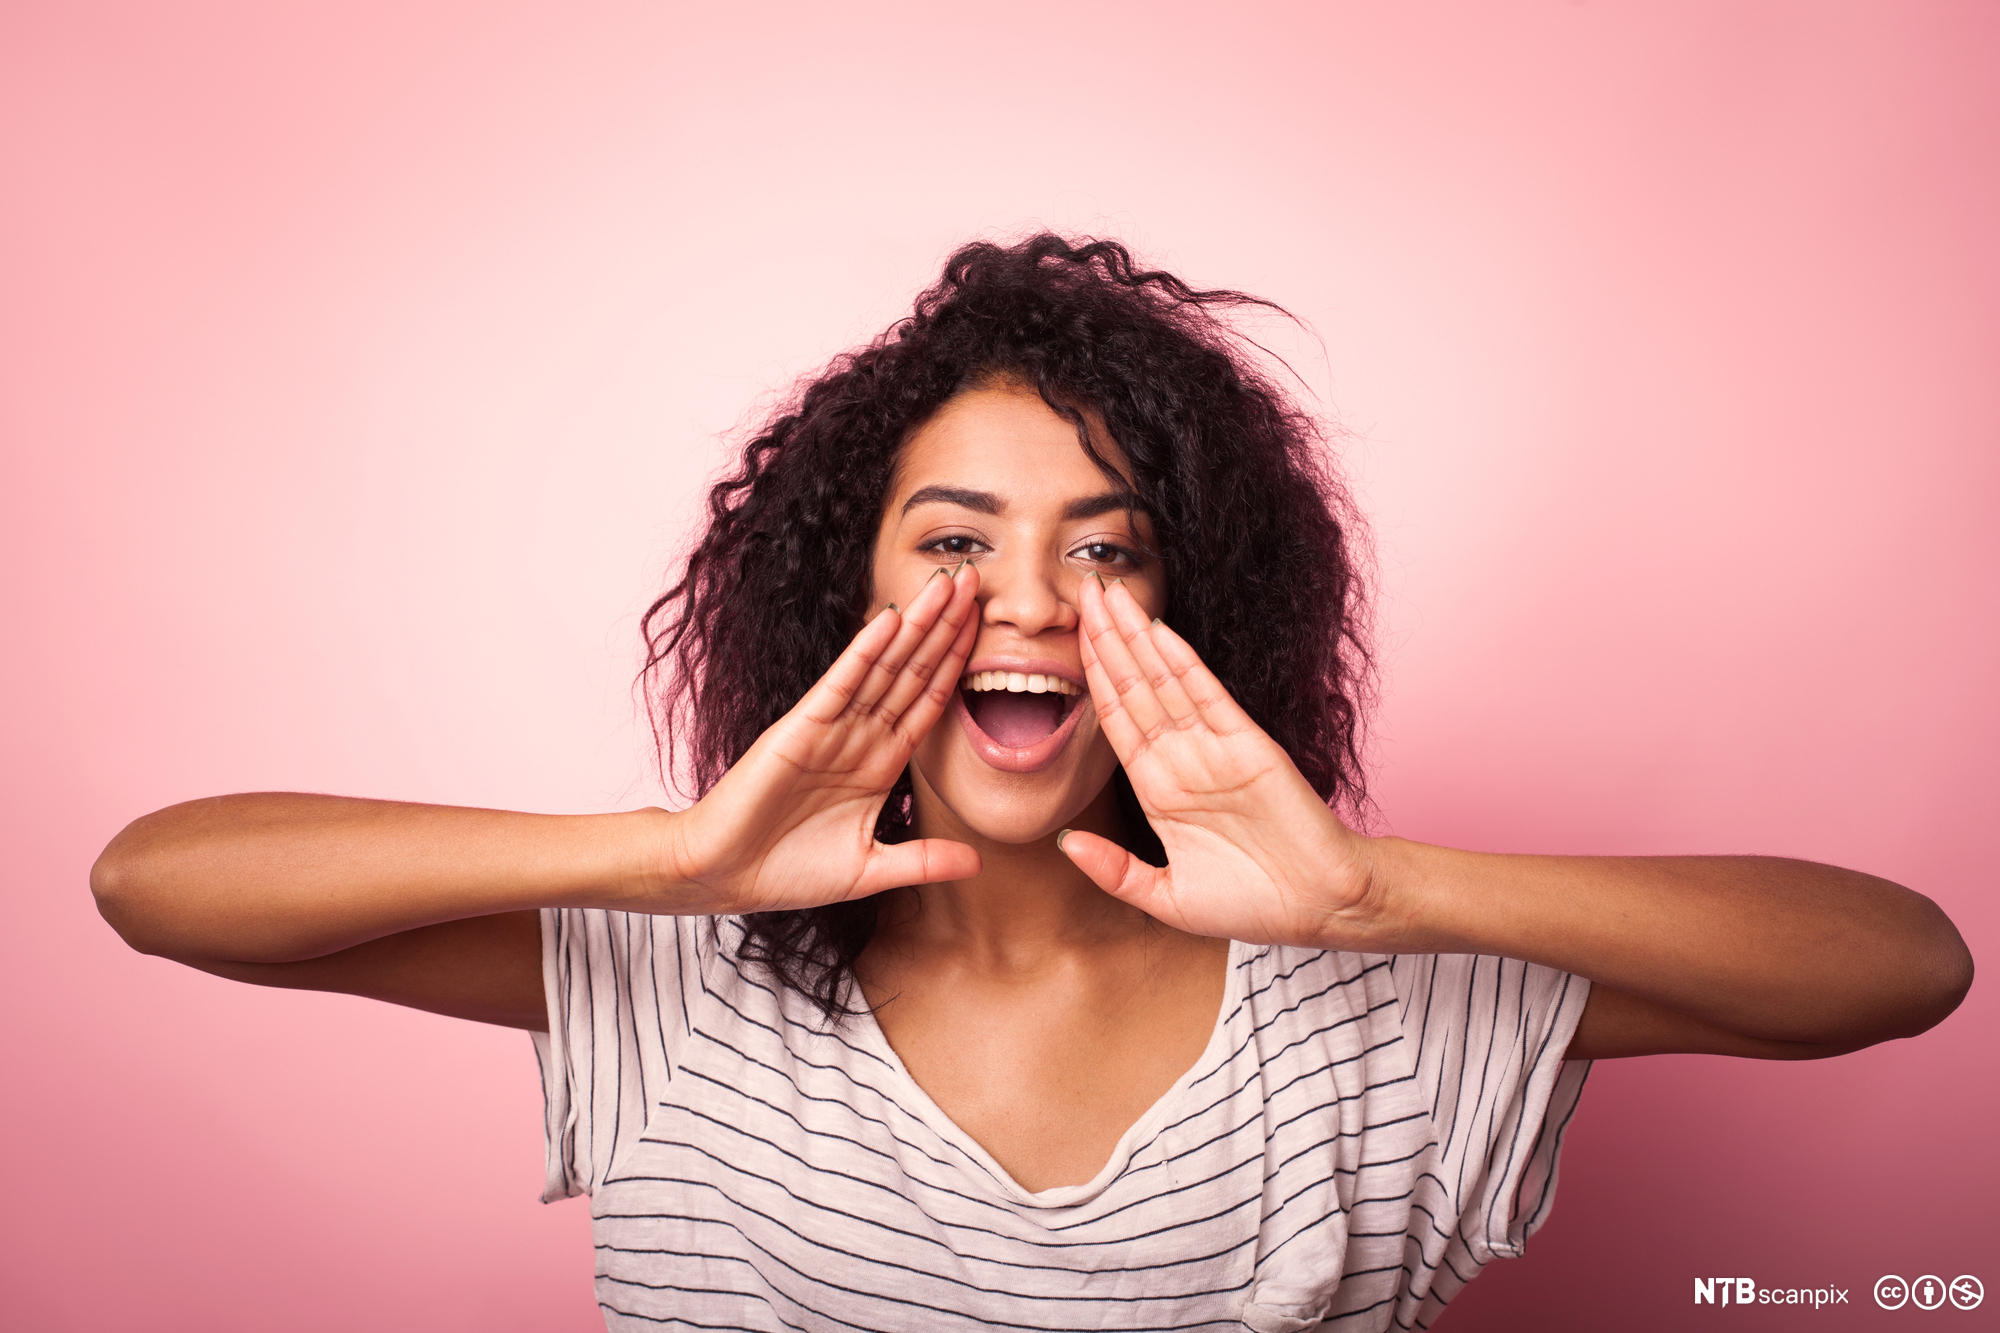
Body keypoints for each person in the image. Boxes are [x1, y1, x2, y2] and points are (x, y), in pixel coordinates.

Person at [91, 235, 1972, 1331]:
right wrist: (675, 856)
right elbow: (159, 883)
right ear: (844, 595)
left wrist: (1377, 896)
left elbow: (1901, 966)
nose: (1024, 605)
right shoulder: (678, 975)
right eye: (952, 541)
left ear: (1194, 604)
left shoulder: (1382, 1003)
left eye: (1105, 547)